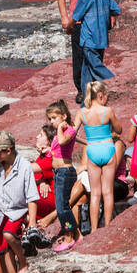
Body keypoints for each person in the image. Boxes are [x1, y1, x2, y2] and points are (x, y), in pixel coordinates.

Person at [54, 0, 120, 104]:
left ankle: (95, 88)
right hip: (80, 22)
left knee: (96, 54)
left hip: (99, 21)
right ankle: (82, 90)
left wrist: (112, 16)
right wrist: (64, 18)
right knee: (80, 57)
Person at [0, 130, 39, 273]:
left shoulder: (25, 167)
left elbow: (32, 197)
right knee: (4, 251)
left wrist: (32, 222)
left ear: (8, 150)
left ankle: (23, 259)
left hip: (17, 211)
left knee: (8, 235)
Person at [68, 80, 122, 231]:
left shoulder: (82, 113)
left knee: (95, 194)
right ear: (100, 95)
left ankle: (93, 229)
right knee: (108, 191)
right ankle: (108, 226)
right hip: (107, 148)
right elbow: (119, 129)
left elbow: (72, 133)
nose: (107, 99)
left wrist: (85, 141)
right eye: (106, 96)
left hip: (92, 150)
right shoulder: (107, 111)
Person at [69, 0, 121, 100]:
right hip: (102, 38)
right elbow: (116, 10)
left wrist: (68, 27)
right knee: (86, 70)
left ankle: (113, 80)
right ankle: (87, 100)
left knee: (95, 65)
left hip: (89, 38)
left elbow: (75, 17)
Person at [45, 100, 80, 251]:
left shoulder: (69, 130)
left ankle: (70, 236)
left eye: (54, 118)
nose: (52, 122)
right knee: (61, 206)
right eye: (50, 119)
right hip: (58, 172)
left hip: (65, 172)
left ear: (64, 116)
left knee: (62, 208)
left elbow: (62, 141)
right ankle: (75, 234)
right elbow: (57, 150)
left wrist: (60, 128)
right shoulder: (59, 133)